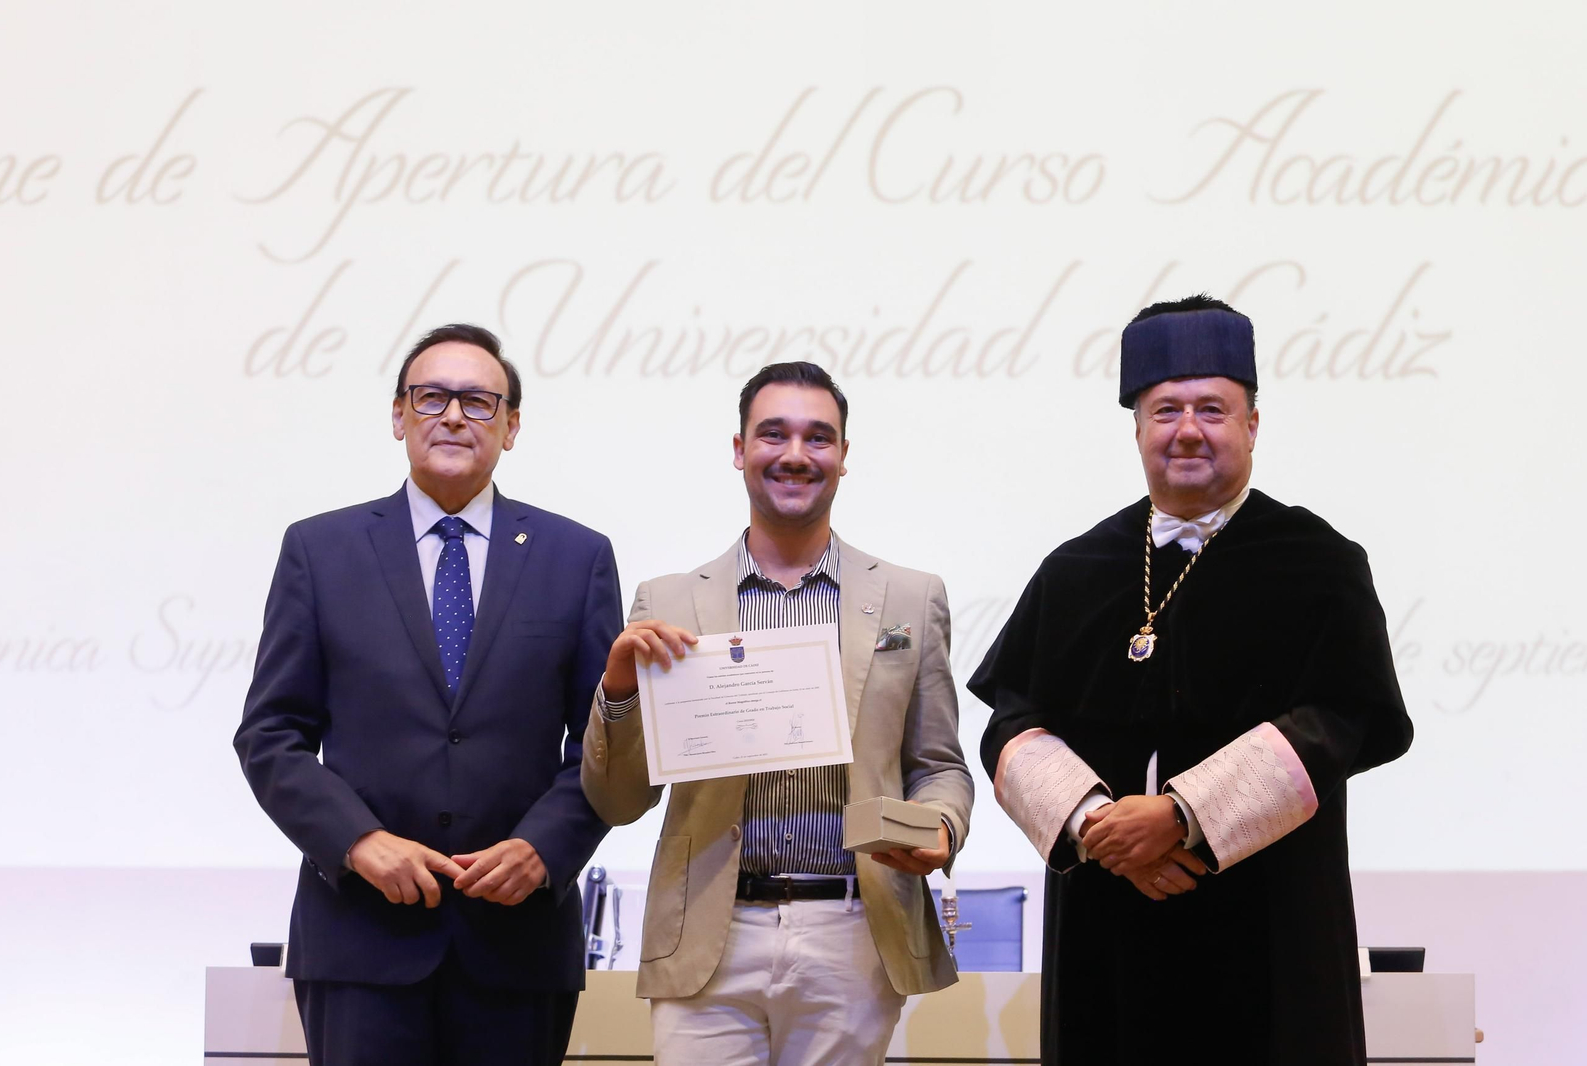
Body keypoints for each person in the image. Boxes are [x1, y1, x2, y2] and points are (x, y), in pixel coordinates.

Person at [969, 295, 1413, 1065]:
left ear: (1253, 425)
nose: (1187, 430)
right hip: (1107, 923)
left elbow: (1342, 719)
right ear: (1138, 427)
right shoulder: (1076, 569)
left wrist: (1181, 818)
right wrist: (1097, 826)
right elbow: (1012, 721)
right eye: (1165, 410)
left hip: (1266, 928)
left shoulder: (1318, 564)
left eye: (1212, 409)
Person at [233, 324, 622, 1066]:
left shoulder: (576, 557)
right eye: (431, 397)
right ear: (398, 415)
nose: (452, 416)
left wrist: (545, 849)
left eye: (478, 402)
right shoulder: (320, 550)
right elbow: (270, 734)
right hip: (360, 939)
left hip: (517, 946)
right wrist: (357, 842)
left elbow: (607, 745)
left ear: (511, 427)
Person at [581, 362, 974, 1066]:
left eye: (818, 437)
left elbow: (939, 765)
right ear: (739, 450)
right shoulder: (666, 603)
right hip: (706, 932)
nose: (796, 454)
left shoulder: (910, 599)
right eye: (773, 434)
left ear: (844, 456)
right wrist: (617, 690)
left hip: (854, 931)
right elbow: (618, 801)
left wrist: (942, 826)